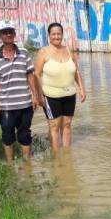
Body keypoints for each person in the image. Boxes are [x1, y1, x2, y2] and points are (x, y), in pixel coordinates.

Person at [0, 20, 40, 162]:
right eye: (5, 32)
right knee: (7, 134)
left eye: (11, 32)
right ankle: (10, 164)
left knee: (25, 133)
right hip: (6, 106)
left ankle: (26, 163)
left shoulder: (24, 53)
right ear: (0, 36)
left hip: (25, 103)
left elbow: (30, 75)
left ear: (14, 34)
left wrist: (35, 96)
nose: (8, 35)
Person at [34, 22, 86, 153]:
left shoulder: (68, 50)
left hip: (69, 94)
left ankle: (67, 155)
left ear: (62, 35)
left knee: (67, 125)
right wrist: (38, 95)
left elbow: (76, 71)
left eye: (59, 34)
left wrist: (82, 88)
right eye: (54, 34)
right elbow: (37, 75)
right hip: (51, 96)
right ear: (49, 35)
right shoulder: (43, 52)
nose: (57, 36)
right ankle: (56, 157)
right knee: (54, 126)